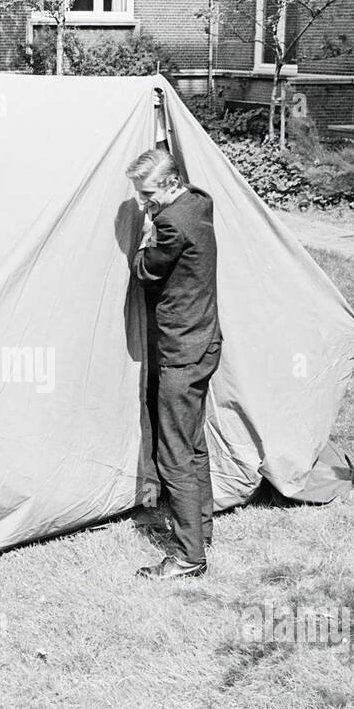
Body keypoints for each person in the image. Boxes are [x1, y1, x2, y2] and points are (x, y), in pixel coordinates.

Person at [126, 148, 222, 580]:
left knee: (174, 454)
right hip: (205, 342)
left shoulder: (169, 223)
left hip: (181, 350)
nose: (144, 202)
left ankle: (188, 557)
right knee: (193, 442)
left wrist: (146, 233)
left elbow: (144, 270)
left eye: (147, 194)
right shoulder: (199, 201)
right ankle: (200, 529)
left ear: (170, 182)